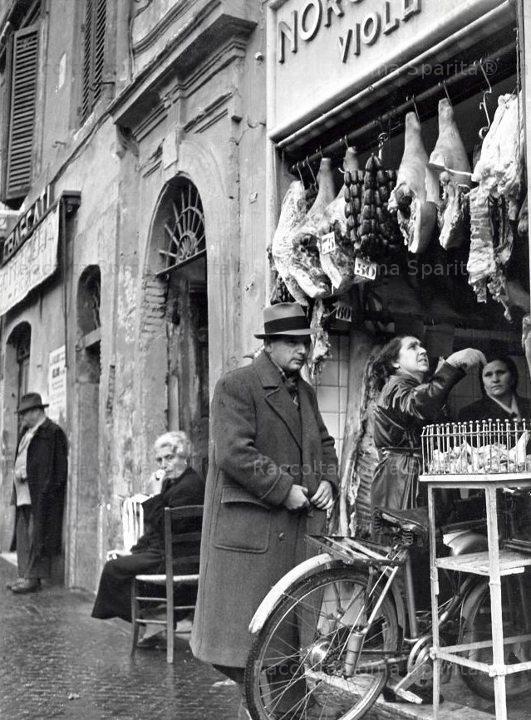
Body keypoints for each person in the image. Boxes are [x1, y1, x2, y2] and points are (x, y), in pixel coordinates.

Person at [190, 302, 338, 719]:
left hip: (292, 534)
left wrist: (328, 480)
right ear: (269, 344)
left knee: (282, 646)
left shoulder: (304, 391)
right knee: (249, 649)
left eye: (304, 342)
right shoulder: (236, 385)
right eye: (292, 343)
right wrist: (282, 488)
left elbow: (325, 444)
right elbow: (233, 453)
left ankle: (290, 711)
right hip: (251, 537)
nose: (302, 351)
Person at [91, 431, 204, 646]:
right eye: (160, 460)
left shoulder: (190, 485)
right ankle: (156, 616)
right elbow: (154, 531)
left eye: (169, 458)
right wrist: (134, 552)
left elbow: (163, 527)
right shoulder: (175, 483)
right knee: (119, 564)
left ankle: (157, 617)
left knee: (113, 569)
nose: (164, 465)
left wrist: (155, 495)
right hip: (165, 554)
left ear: (184, 456)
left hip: (174, 559)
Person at [371, 336, 485, 512]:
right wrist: (451, 366)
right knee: (409, 534)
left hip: (409, 474)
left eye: (422, 346)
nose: (422, 350)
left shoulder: (409, 387)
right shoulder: (395, 387)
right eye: (412, 347)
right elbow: (420, 406)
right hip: (404, 479)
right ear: (395, 362)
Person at [7, 393, 68, 594]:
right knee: (24, 535)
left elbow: (58, 467)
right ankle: (24, 575)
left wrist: (47, 489)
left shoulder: (52, 432)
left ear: (36, 411)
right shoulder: (27, 431)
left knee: (37, 536)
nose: (22, 417)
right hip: (23, 492)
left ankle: (33, 579)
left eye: (24, 413)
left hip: (39, 493)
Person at [458, 355, 531, 422]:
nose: (495, 379)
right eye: (488, 375)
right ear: (482, 381)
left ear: (513, 376)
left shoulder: (528, 405)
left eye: (500, 373)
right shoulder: (470, 413)